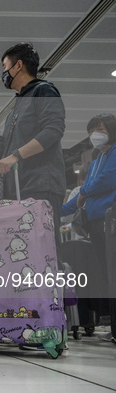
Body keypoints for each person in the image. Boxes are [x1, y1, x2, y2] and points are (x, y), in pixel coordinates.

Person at [0, 42, 66, 249]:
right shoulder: (18, 105)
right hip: (19, 188)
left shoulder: (44, 91)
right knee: (25, 252)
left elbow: (53, 130)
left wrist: (15, 157)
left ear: (18, 65)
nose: (3, 73)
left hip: (41, 185)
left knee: (44, 248)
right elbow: (2, 147)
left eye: (5, 67)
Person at [61, 113, 116, 342]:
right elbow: (83, 196)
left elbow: (107, 180)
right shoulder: (95, 161)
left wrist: (84, 191)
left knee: (113, 274)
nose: (96, 134)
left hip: (109, 222)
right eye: (92, 130)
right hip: (95, 225)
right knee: (106, 275)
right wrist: (56, 210)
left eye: (101, 129)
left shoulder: (113, 154)